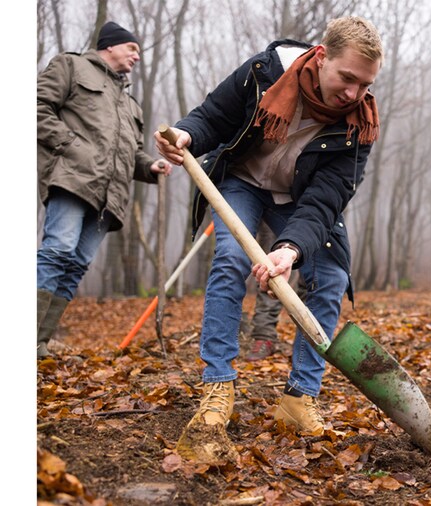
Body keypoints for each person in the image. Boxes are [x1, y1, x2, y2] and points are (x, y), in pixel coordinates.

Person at [154, 16, 383, 453]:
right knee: (231, 260)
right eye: (348, 78)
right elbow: (212, 118)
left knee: (330, 275)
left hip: (297, 200)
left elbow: (326, 198)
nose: (354, 94)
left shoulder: (360, 125)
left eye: (365, 84)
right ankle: (217, 386)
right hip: (240, 182)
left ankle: (299, 397)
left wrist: (290, 249)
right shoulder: (263, 73)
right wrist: (186, 133)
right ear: (321, 57)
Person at [37, 21, 172, 358]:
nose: (137, 56)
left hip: (110, 198)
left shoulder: (130, 104)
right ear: (110, 45)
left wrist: (149, 166)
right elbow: (37, 108)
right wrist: (70, 145)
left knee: (76, 264)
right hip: (72, 179)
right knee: (58, 252)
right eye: (132, 49)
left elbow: (129, 153)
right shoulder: (71, 66)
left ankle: (38, 341)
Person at [244, 222, 308, 361]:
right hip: (271, 207)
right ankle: (264, 336)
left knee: (311, 279)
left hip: (311, 212)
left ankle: (307, 346)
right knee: (269, 272)